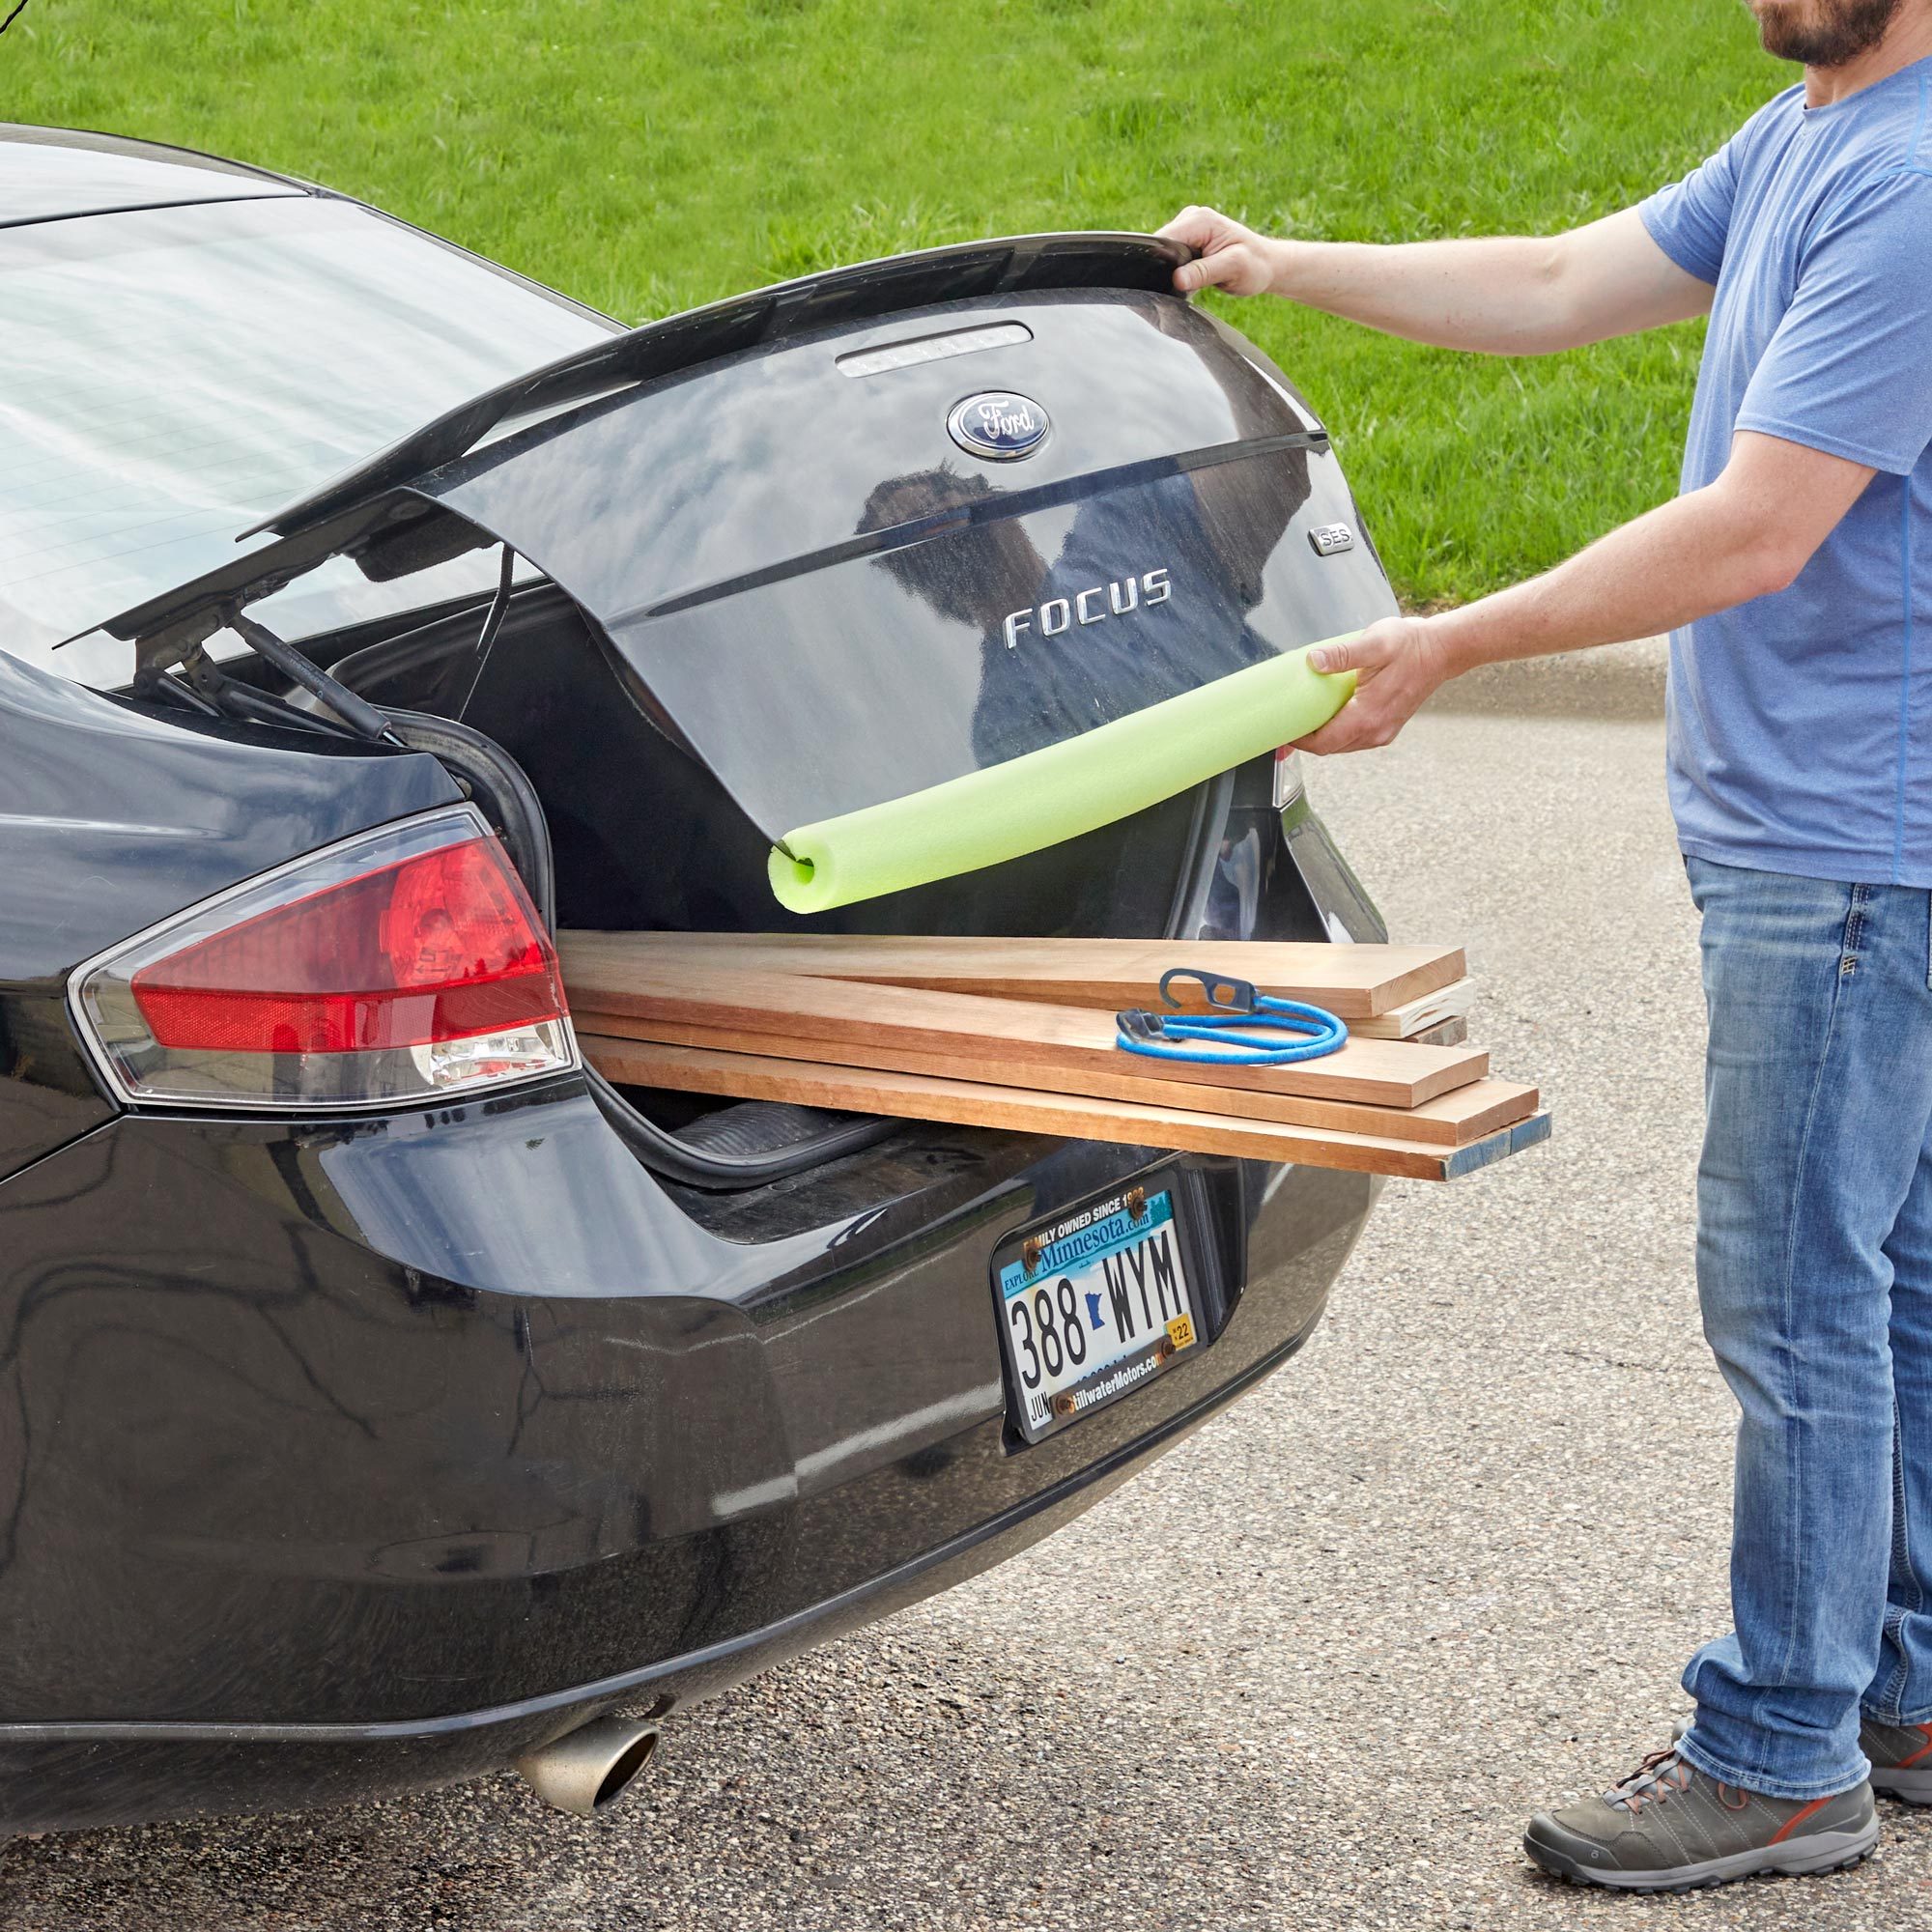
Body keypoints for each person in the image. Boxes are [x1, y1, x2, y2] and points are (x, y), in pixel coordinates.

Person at [1162, 0, 1932, 1894]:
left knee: (1796, 1288)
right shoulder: (1815, 130)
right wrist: (1284, 263)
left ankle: (1781, 1751)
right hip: (1848, 827)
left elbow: (1754, 533)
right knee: (1889, 1273)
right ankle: (1903, 1691)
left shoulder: (1912, 181)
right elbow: (1561, 276)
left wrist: (1448, 642)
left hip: (1849, 842)